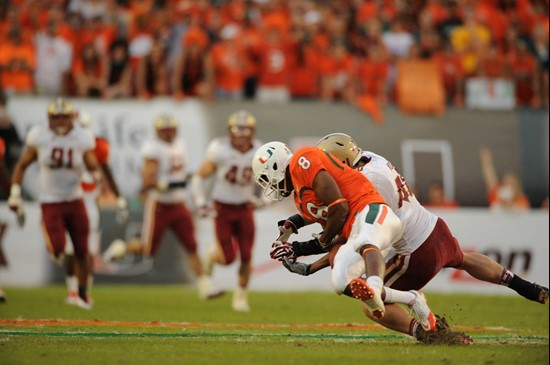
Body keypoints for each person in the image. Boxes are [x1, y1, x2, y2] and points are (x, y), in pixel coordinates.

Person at [275, 133, 548, 341]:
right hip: (434, 227)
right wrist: (297, 227)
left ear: (341, 162)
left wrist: (307, 257)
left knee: (370, 303)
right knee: (462, 258)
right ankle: (526, 287)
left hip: (415, 251)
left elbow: (346, 234)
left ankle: (427, 332)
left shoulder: (367, 182)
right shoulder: (373, 160)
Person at [252, 141, 437, 333]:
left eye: (266, 178)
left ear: (275, 165)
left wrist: (301, 247)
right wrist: (297, 247)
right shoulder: (300, 198)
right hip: (354, 229)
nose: (270, 185)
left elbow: (340, 208)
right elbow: (332, 234)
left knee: (367, 240)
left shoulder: (302, 159)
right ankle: (411, 299)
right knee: (340, 281)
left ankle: (374, 286)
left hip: (371, 209)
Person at [102, 115, 212, 299]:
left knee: (191, 244)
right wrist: (160, 185)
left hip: (178, 204)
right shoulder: (153, 149)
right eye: (164, 130)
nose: (168, 133)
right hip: (160, 205)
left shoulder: (179, 144)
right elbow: (147, 181)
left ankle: (204, 285)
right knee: (147, 249)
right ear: (158, 131)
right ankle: (121, 248)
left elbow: (177, 173)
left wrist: (179, 182)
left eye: (171, 129)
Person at [7, 98, 100, 309]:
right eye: (55, 117)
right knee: (58, 250)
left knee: (82, 250)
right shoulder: (39, 136)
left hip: (75, 200)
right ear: (49, 118)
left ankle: (83, 294)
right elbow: (22, 166)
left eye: (63, 117)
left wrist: (95, 175)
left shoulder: (81, 137)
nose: (59, 121)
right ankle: (74, 285)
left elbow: (92, 163)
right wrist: (15, 193)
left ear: (71, 118)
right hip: (51, 201)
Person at [191, 110, 263, 312]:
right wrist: (200, 202)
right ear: (229, 132)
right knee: (227, 258)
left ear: (253, 132)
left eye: (245, 130)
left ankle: (240, 298)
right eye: (237, 130)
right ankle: (212, 255)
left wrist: (263, 199)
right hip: (222, 207)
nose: (241, 134)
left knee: (247, 255)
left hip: (245, 208)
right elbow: (199, 176)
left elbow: (271, 178)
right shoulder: (219, 149)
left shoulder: (259, 150)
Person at [63, 112, 128, 305]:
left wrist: (119, 198)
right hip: (68, 200)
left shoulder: (97, 146)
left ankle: (84, 291)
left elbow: (107, 171)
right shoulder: (62, 143)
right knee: (68, 250)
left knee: (88, 251)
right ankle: (71, 290)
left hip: (89, 202)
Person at [479, 147, 530, 211]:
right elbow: (490, 180)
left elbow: (523, 211)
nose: (507, 186)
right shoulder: (497, 196)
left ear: (517, 186)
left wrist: (510, 204)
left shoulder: (521, 200)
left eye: (511, 183)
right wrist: (486, 162)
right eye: (505, 183)